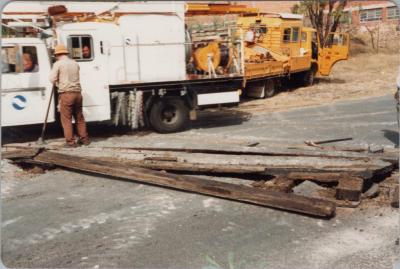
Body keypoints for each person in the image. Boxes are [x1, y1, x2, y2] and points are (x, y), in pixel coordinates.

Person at [49, 44, 90, 147]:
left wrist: (58, 79)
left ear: (58, 54)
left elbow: (52, 79)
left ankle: (70, 142)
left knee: (66, 119)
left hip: (66, 94)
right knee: (79, 117)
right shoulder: (75, 63)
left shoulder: (57, 64)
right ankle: (84, 139)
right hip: (78, 94)